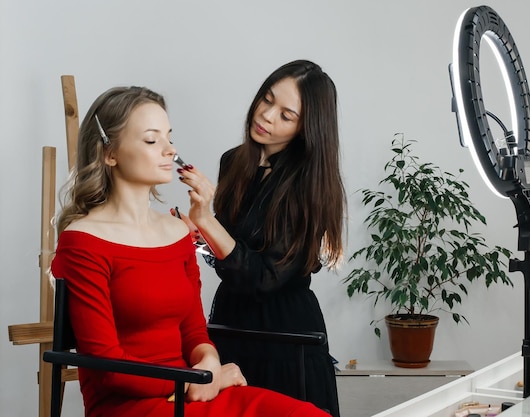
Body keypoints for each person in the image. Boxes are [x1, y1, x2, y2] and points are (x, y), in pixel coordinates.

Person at [50, 85, 331, 417]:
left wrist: (209, 365)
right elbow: (107, 366)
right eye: (153, 140)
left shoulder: (176, 233)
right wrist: (199, 380)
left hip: (194, 392)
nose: (170, 150)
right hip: (134, 404)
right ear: (109, 154)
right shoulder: (82, 241)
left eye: (170, 138)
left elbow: (194, 331)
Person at [176, 60, 345, 417]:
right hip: (229, 322)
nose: (266, 116)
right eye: (266, 100)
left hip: (284, 335)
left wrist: (208, 220)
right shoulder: (233, 161)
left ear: (306, 128)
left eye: (286, 115)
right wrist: (197, 234)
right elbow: (232, 262)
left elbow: (264, 278)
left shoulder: (308, 184)